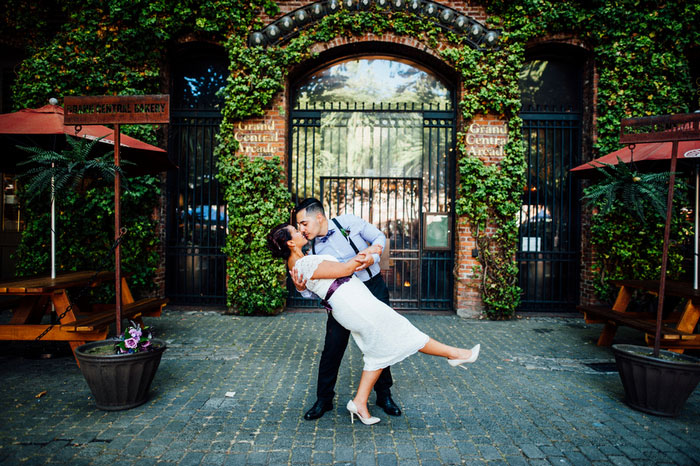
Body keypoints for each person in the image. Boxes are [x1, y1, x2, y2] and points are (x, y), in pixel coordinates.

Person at [267, 222, 480, 425]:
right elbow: (344, 270)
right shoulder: (303, 263)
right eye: (295, 230)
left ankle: (359, 402)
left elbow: (320, 281)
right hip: (354, 305)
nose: (300, 231)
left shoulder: (299, 263)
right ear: (290, 243)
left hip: (355, 302)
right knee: (401, 330)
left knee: (378, 349)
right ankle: (456, 354)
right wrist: (369, 252)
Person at [291, 198, 400, 420]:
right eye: (299, 225)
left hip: (373, 287)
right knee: (332, 347)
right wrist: (302, 289)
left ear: (319, 217)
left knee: (380, 341)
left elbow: (378, 237)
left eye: (304, 223)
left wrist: (373, 255)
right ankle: (324, 399)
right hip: (340, 300)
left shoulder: (349, 222)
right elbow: (317, 289)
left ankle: (383, 394)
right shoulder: (310, 250)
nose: (301, 229)